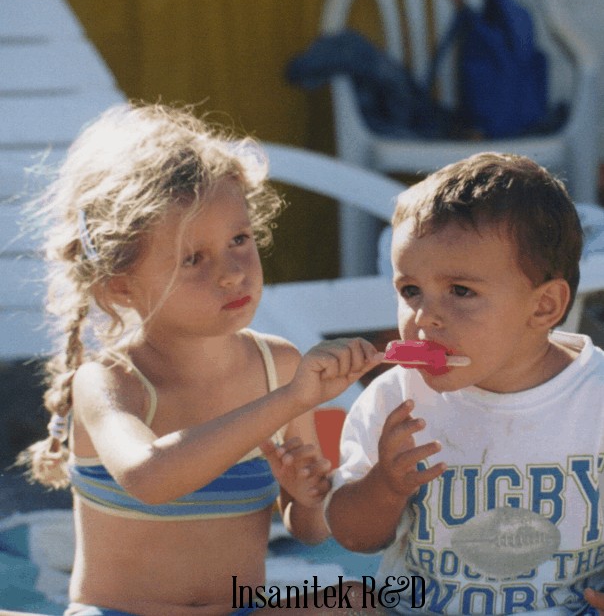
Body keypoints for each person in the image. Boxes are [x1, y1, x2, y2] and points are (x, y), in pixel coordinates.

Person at [19, 102, 382, 616]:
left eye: (240, 239)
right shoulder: (109, 382)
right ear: (121, 285)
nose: (234, 271)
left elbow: (311, 529)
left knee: (356, 603)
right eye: (194, 259)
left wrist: (306, 495)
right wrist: (290, 400)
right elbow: (151, 478)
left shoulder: (277, 365)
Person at [326, 152, 604, 615]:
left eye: (460, 291)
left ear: (543, 308)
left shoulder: (595, 398)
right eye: (410, 290)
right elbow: (352, 537)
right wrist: (385, 486)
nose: (423, 316)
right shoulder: (398, 398)